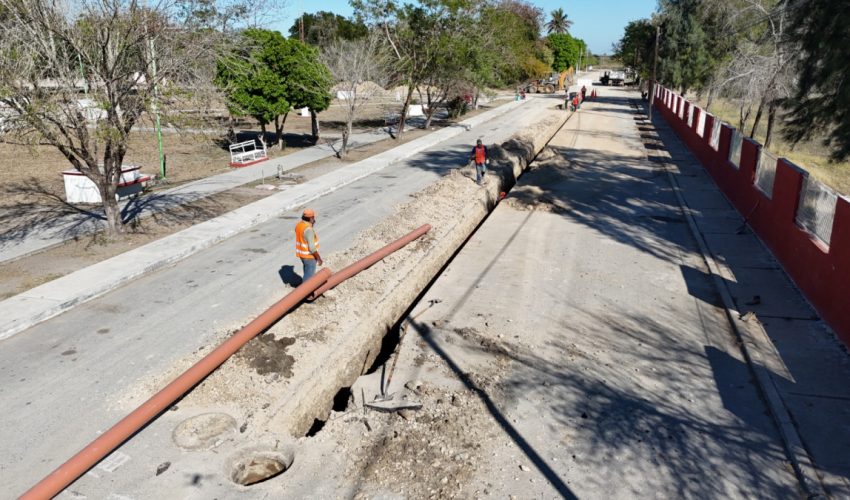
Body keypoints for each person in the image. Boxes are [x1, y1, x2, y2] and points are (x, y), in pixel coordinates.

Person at [294, 208, 323, 282]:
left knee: (306, 272)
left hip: (302, 255)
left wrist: (311, 224)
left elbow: (303, 238)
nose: (314, 219)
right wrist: (319, 258)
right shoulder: (308, 230)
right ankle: (304, 292)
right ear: (310, 218)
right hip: (309, 256)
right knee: (308, 278)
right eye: (313, 217)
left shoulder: (299, 225)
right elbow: (312, 248)